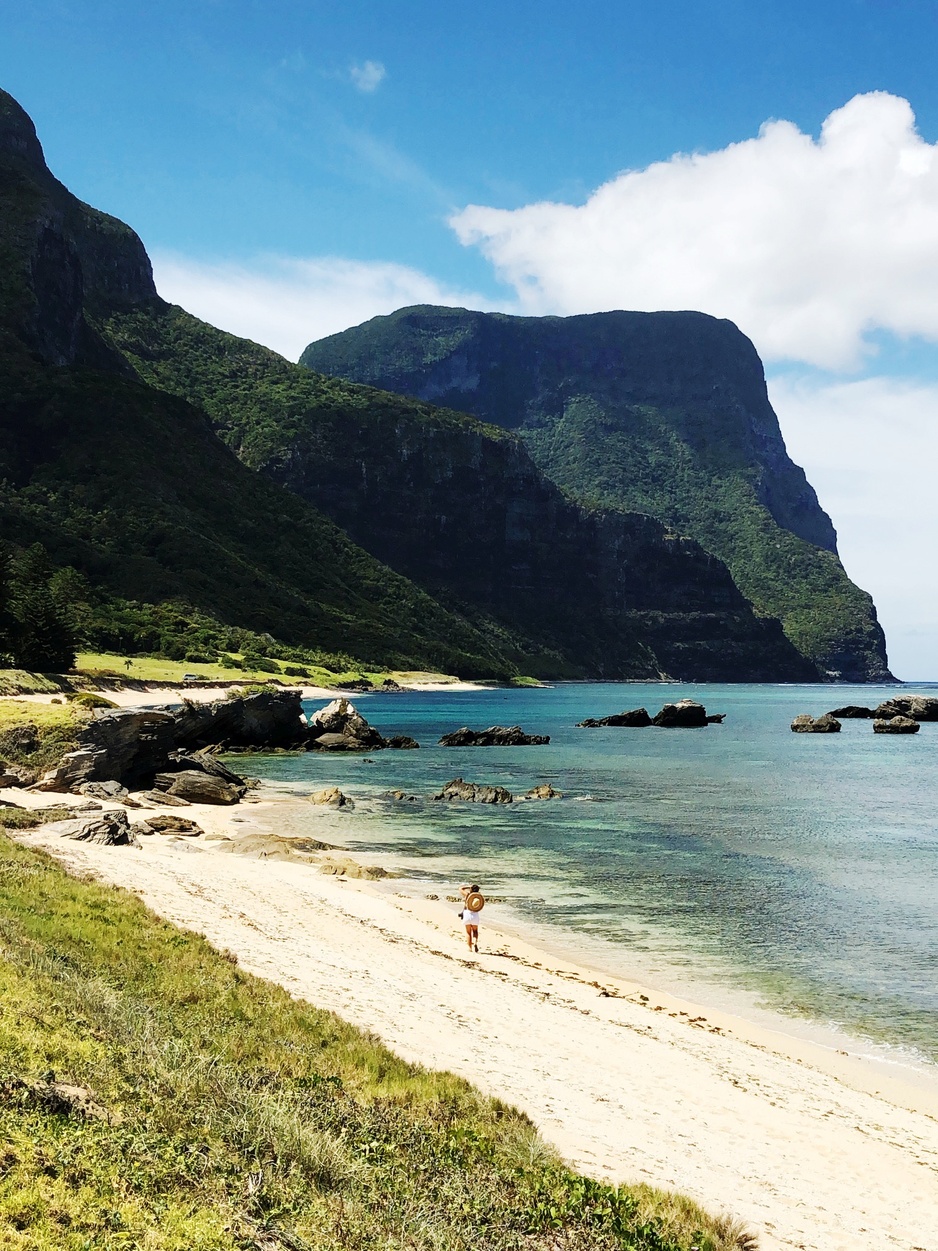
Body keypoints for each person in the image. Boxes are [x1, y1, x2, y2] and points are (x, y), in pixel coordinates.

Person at [459, 882, 482, 953]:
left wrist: (469, 886)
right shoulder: (478, 897)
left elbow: (460, 888)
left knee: (468, 932)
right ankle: (475, 942)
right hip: (475, 915)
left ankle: (469, 948)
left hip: (467, 914)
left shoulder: (468, 895)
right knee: (475, 931)